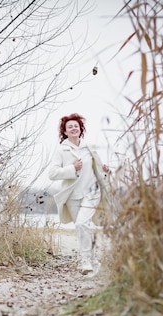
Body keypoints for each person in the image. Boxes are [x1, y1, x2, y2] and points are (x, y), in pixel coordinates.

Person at [48, 113, 110, 275]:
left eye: (76, 126)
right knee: (82, 227)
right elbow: (53, 174)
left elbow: (98, 169)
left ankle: (85, 261)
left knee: (82, 224)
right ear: (65, 131)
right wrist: (72, 169)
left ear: (80, 129)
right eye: (70, 127)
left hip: (92, 192)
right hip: (72, 196)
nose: (74, 128)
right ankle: (93, 262)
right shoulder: (62, 150)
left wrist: (105, 172)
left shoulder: (89, 148)